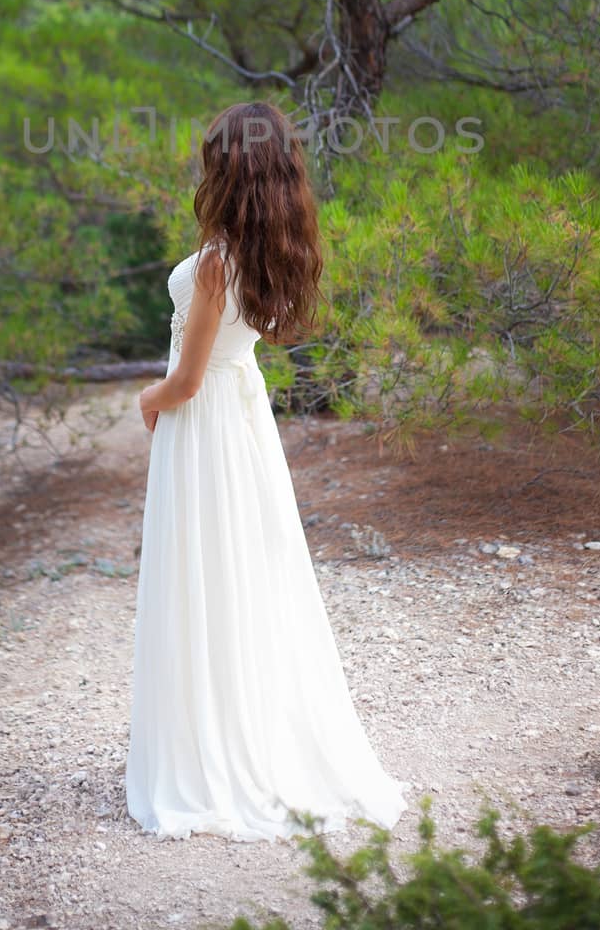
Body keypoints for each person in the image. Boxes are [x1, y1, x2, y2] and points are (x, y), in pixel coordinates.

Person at [125, 100, 407, 843]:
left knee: (204, 578)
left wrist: (147, 399)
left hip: (206, 421)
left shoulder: (218, 259)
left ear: (229, 168)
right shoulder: (268, 247)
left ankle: (213, 748)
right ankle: (240, 729)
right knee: (244, 576)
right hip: (241, 420)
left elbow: (185, 381)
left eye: (211, 157)